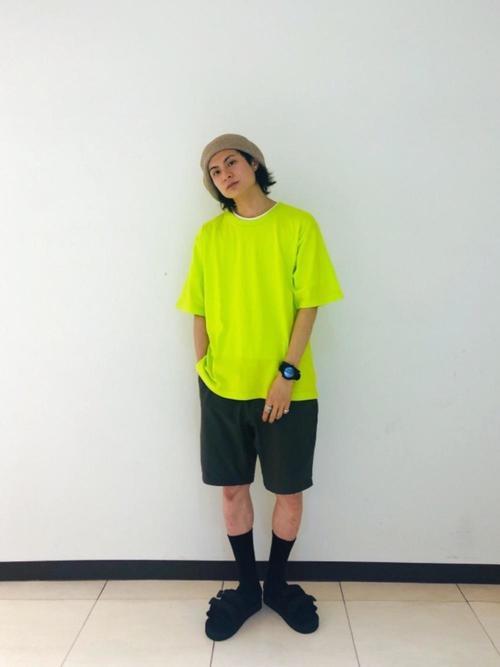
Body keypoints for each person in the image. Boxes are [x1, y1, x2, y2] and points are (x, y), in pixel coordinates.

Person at [176, 133, 344, 641]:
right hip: (223, 388)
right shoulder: (210, 236)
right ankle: (248, 588)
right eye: (214, 171)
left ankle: (277, 585)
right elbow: (198, 307)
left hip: (286, 391)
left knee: (287, 491)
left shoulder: (297, 225)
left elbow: (309, 304)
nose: (223, 173)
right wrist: (204, 369)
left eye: (231, 162)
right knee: (232, 489)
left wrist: (287, 375)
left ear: (254, 164)